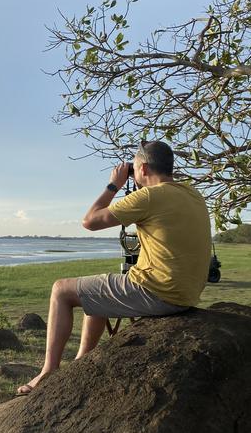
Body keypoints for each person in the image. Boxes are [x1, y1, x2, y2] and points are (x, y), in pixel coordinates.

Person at [16, 140, 211, 395]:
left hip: (158, 292)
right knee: (95, 292)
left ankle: (48, 371)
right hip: (186, 294)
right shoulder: (191, 194)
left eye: (135, 168)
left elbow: (90, 221)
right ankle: (81, 364)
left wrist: (114, 185)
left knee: (61, 290)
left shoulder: (150, 196)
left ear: (142, 169)